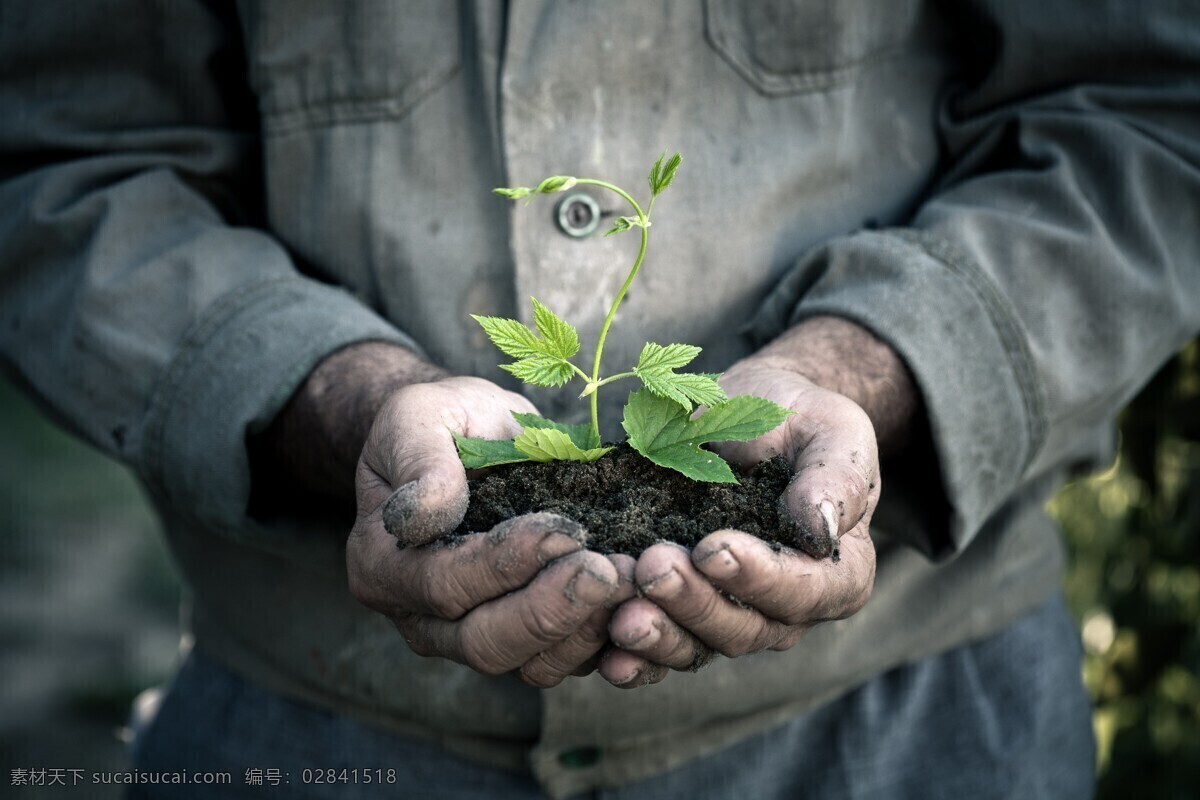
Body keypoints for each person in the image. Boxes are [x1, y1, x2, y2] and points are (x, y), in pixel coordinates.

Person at [2, 2, 1197, 797]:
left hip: (918, 726)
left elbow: (1149, 106)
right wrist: (344, 401)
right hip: (311, 717)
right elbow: (63, 156)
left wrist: (858, 370)